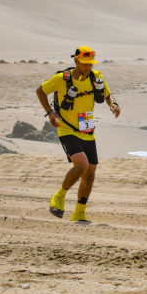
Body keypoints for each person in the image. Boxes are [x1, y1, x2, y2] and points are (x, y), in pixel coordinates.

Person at [36, 46, 121, 223]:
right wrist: (51, 113)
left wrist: (113, 104)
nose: (88, 67)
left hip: (87, 130)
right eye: (84, 64)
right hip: (67, 129)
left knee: (90, 172)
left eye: (90, 64)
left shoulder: (96, 77)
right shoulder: (62, 79)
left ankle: (79, 212)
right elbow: (40, 91)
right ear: (76, 61)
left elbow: (107, 95)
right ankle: (59, 196)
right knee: (81, 165)